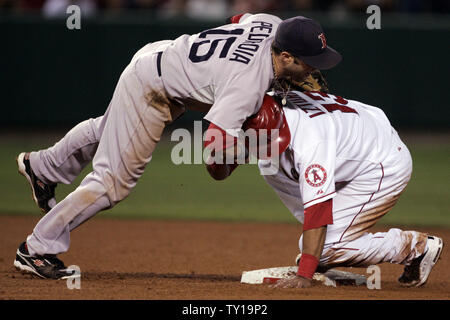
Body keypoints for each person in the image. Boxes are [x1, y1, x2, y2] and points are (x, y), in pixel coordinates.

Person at [14, 14, 342, 279]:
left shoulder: (271, 24)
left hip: (162, 55)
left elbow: (240, 17)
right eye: (309, 62)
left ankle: (43, 167)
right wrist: (249, 148)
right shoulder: (247, 86)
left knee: (111, 129)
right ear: (285, 55)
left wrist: (220, 68)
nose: (313, 69)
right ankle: (37, 248)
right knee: (113, 182)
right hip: (153, 87)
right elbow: (213, 146)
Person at [206, 92, 444, 288]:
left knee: (328, 249)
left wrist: (305, 274)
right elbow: (222, 169)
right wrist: (216, 157)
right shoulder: (261, 105)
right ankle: (321, 247)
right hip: (357, 140)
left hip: (381, 161)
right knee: (271, 167)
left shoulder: (310, 143)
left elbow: (318, 211)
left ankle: (415, 247)